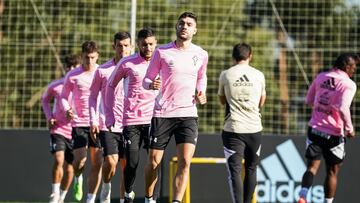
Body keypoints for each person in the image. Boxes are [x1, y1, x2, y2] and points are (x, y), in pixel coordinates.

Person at [142, 12, 208, 203]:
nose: (184, 26)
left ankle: (177, 201)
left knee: (185, 162)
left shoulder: (201, 54)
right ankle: (149, 199)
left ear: (195, 30)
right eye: (181, 23)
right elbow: (147, 79)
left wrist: (201, 92)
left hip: (188, 114)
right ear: (176, 27)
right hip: (163, 113)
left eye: (189, 24)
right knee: (153, 162)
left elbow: (201, 77)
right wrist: (151, 84)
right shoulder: (162, 52)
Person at [105, 28, 161, 203]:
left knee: (154, 162)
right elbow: (110, 86)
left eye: (151, 44)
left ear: (156, 43)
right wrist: (109, 115)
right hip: (132, 121)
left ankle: (149, 198)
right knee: (131, 163)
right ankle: (128, 193)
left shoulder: (163, 61)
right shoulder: (127, 62)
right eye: (144, 44)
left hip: (155, 119)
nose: (148, 48)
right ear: (138, 44)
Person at [297, 53, 359, 203]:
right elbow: (344, 108)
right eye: (354, 67)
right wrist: (350, 129)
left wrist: (322, 108)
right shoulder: (349, 84)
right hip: (334, 134)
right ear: (347, 66)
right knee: (332, 172)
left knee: (311, 168)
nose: (355, 70)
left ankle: (303, 195)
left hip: (315, 129)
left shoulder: (321, 77)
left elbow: (309, 100)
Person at [217, 43, 266, 203]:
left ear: (233, 57)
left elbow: (222, 100)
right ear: (250, 56)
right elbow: (261, 102)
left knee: (235, 172)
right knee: (252, 169)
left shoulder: (226, 74)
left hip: (233, 129)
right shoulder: (259, 75)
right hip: (254, 129)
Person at [88, 32, 132, 203]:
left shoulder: (136, 68)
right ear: (113, 46)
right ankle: (106, 186)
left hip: (130, 123)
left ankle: (122, 200)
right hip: (108, 124)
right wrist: (93, 120)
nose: (123, 49)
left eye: (126, 45)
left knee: (127, 167)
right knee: (111, 162)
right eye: (119, 45)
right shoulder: (103, 70)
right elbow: (92, 97)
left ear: (131, 47)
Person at [61, 41, 102, 203]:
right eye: (86, 58)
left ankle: (90, 199)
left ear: (97, 56)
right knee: (79, 161)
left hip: (98, 123)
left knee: (97, 162)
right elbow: (64, 97)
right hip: (79, 123)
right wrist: (67, 109)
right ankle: (78, 177)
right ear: (82, 56)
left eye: (92, 57)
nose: (90, 61)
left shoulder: (102, 71)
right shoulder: (73, 75)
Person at [42, 54, 81, 203]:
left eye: (74, 67)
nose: (71, 70)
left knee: (70, 169)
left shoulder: (82, 86)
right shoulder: (56, 85)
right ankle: (55, 194)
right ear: (65, 68)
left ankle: (62, 198)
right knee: (59, 159)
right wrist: (49, 117)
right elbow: (44, 100)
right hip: (58, 129)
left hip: (75, 130)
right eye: (69, 67)